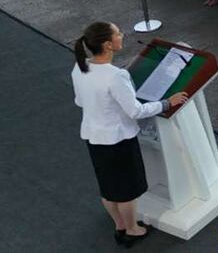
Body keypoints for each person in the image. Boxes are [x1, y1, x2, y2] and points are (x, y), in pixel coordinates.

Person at [71, 22, 188, 247]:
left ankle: (120, 226)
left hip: (93, 137)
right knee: (126, 191)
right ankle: (133, 229)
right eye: (117, 33)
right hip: (118, 140)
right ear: (108, 44)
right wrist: (165, 103)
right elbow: (135, 110)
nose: (121, 35)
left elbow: (79, 101)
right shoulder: (116, 76)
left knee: (108, 187)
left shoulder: (80, 67)